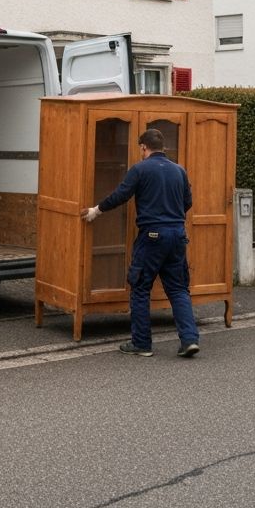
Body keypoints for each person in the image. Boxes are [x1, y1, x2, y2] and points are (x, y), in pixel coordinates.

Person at [81, 127, 200, 358]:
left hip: (152, 236)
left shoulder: (140, 169)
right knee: (178, 289)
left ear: (144, 148)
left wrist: (96, 210)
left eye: (141, 149)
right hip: (177, 235)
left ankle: (141, 343)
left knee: (140, 287)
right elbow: (188, 202)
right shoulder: (179, 170)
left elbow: (121, 195)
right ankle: (189, 340)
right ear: (162, 147)